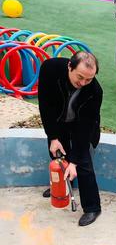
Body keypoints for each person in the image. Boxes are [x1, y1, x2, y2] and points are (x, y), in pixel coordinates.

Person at [38, 52, 102, 227]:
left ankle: (92, 207)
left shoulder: (94, 91)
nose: (83, 83)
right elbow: (45, 104)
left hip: (81, 125)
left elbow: (85, 128)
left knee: (83, 163)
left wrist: (75, 161)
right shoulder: (50, 69)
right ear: (69, 67)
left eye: (88, 79)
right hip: (58, 120)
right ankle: (62, 188)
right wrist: (53, 137)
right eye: (80, 77)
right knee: (59, 157)